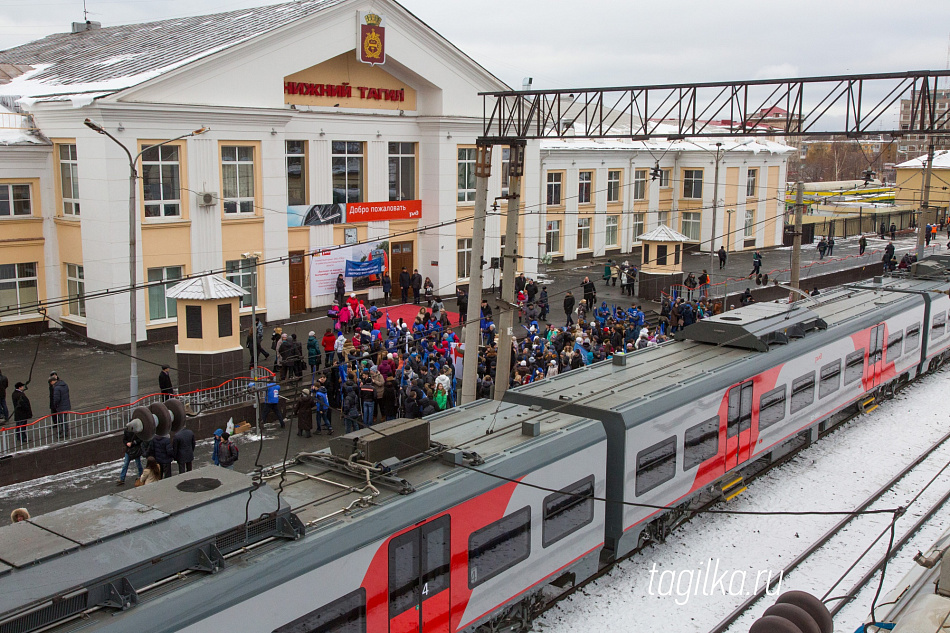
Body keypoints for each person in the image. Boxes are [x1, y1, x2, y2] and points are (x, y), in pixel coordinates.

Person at [48, 371, 70, 439]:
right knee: (64, 419)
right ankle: (63, 431)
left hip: (61, 406)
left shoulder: (57, 388)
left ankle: (64, 432)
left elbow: (56, 399)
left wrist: (55, 405)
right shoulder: (64, 385)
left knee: (62, 420)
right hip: (66, 405)